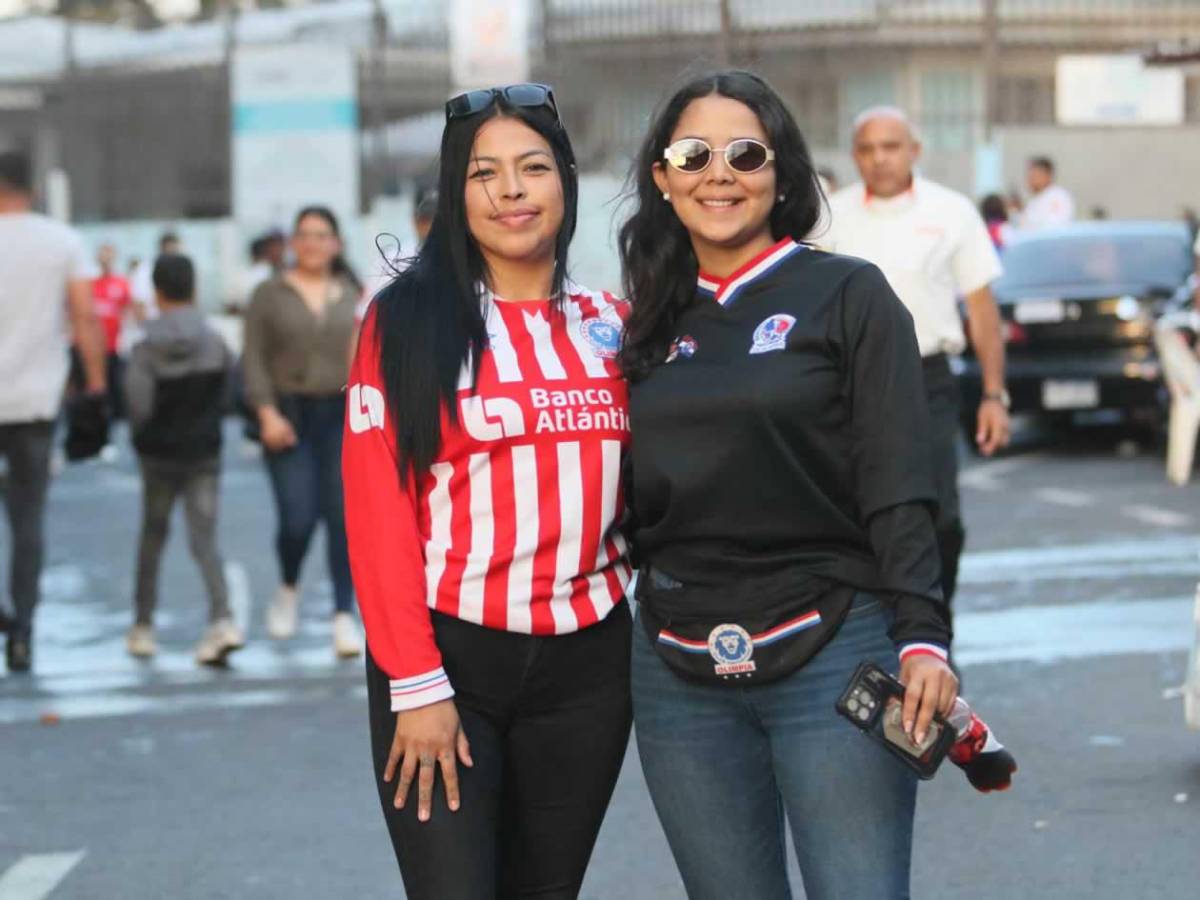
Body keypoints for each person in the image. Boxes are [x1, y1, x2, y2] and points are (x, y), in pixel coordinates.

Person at [618, 71, 957, 899]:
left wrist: (923, 635)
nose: (719, 173)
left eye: (746, 152)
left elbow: (902, 478)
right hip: (677, 664)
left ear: (783, 172)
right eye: (692, 154)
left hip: (835, 651)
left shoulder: (849, 295)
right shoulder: (636, 324)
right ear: (662, 178)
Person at [342, 82, 633, 899]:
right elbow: (377, 514)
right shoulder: (403, 322)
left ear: (566, 182)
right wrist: (416, 682)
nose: (512, 191)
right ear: (454, 192)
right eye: (484, 174)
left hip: (589, 669)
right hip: (449, 662)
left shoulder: (615, 323)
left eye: (533, 167)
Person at [822, 105, 1010, 607]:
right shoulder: (832, 217)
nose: (879, 159)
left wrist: (994, 394)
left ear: (914, 151)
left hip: (927, 378)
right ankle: (879, 632)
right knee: (861, 513)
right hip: (848, 383)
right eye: (867, 149)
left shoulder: (951, 212)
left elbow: (982, 310)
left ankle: (934, 630)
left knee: (940, 517)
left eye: (890, 147)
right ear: (854, 155)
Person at [0, 151, 107, 673]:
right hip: (35, 401)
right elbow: (84, 316)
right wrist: (96, 384)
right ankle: (22, 631)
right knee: (28, 522)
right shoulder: (60, 241)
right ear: (33, 187)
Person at [242, 207, 363, 658]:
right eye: (305, 235)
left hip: (341, 416)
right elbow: (252, 358)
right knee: (298, 516)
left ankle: (342, 616)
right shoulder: (269, 294)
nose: (312, 243)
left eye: (322, 235)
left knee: (342, 518)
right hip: (288, 416)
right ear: (293, 242)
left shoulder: (353, 294)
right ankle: (288, 586)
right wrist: (267, 413)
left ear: (336, 243)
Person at [123, 254, 242, 665]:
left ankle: (142, 626)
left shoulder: (143, 345)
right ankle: (222, 617)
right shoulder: (214, 340)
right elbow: (229, 390)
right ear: (193, 288)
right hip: (203, 452)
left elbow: (137, 404)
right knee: (204, 539)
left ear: (156, 292)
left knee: (152, 537)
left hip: (158, 455)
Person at [91, 243, 135, 419]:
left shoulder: (122, 283)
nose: (106, 259)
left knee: (116, 387)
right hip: (95, 347)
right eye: (103, 255)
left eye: (109, 255)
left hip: (116, 346)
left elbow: (129, 311)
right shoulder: (90, 284)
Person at [1015, 155, 1074, 231]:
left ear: (1047, 176)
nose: (1029, 180)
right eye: (1029, 176)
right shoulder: (1033, 202)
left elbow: (1055, 227)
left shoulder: (1058, 196)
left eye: (1034, 176)